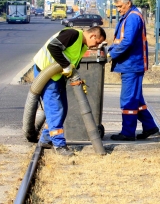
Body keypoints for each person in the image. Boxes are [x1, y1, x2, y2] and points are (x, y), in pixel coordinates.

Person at [33, 26, 106, 156]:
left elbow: (71, 63)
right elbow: (53, 47)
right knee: (55, 108)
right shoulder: (73, 34)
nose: (97, 45)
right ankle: (59, 145)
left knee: (63, 108)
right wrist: (66, 66)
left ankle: (46, 138)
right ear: (93, 36)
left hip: (58, 75)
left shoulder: (82, 45)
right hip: (46, 72)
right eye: (97, 42)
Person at [107, 0, 159, 141]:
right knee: (136, 99)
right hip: (130, 64)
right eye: (116, 7)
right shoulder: (129, 16)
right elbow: (121, 40)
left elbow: (126, 42)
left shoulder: (133, 17)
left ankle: (128, 132)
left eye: (119, 6)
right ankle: (150, 127)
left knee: (128, 99)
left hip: (132, 65)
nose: (118, 9)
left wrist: (111, 54)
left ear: (128, 3)